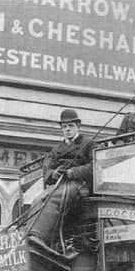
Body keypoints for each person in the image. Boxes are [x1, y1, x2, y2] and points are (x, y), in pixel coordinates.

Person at [25, 108, 94, 257]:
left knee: (54, 199)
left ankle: (40, 237)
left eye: (70, 126)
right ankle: (31, 236)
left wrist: (73, 172)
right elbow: (47, 167)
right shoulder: (57, 149)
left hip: (78, 184)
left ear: (78, 126)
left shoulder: (88, 144)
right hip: (60, 182)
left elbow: (95, 166)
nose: (67, 129)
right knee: (39, 199)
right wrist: (54, 174)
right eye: (64, 127)